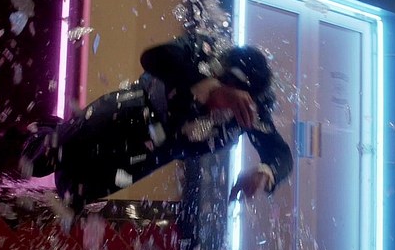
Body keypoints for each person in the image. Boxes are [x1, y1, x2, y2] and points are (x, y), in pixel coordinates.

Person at [20, 33, 293, 213]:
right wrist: (210, 88)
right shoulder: (204, 52)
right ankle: (42, 130)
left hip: (148, 155)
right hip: (124, 114)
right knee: (38, 159)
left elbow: (280, 154)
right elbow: (155, 58)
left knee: (71, 193)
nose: (226, 110)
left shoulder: (251, 110)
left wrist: (264, 172)